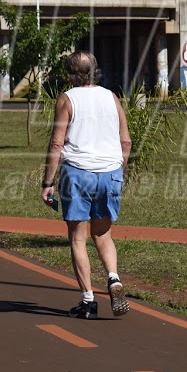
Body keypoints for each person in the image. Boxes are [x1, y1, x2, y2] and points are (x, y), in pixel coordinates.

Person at [42, 50, 132, 319]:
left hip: (78, 173)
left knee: (78, 238)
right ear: (95, 70)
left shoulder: (68, 99)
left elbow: (57, 142)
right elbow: (125, 141)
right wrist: (118, 173)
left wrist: (48, 182)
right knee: (103, 234)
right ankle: (114, 279)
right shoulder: (111, 97)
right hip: (110, 172)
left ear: (70, 74)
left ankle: (88, 301)